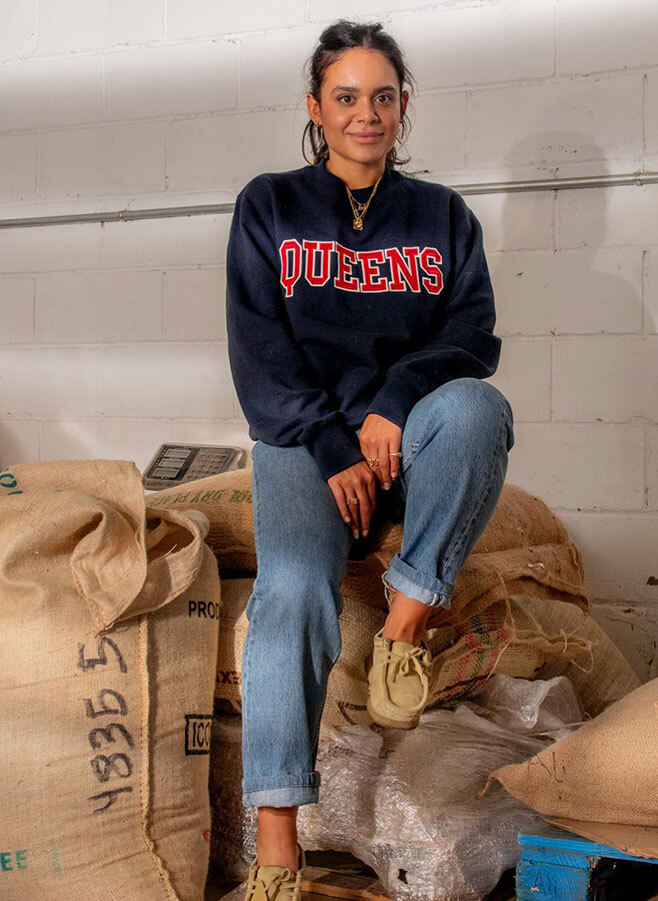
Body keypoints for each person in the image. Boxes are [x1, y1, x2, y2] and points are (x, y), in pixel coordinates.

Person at [225, 18, 515, 901]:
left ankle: (402, 631)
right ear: (316, 107)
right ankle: (278, 852)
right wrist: (330, 443)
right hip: (306, 446)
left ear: (403, 106)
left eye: (382, 97)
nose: (366, 114)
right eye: (346, 97)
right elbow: (260, 351)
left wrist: (393, 407)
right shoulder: (270, 206)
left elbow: (471, 336)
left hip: (412, 444)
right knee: (289, 596)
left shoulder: (442, 218)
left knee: (479, 408)